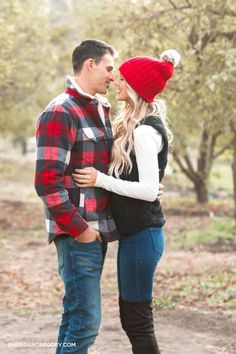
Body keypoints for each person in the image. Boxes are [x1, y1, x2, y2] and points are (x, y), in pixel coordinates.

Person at [73, 49, 180, 354]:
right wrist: (153, 182)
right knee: (132, 319)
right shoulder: (140, 125)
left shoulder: (145, 130)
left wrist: (99, 179)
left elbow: (146, 190)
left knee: (137, 322)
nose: (116, 82)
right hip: (137, 236)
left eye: (123, 78)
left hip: (142, 236)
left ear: (136, 87)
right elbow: (155, 174)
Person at [34, 39, 121, 354]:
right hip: (78, 234)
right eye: (109, 68)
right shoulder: (61, 111)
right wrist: (81, 229)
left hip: (96, 234)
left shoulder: (98, 109)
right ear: (90, 65)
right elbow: (46, 181)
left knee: (75, 317)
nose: (113, 76)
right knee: (86, 322)